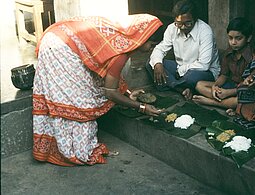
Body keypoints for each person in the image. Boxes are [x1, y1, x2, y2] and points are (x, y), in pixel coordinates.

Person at [32, 14, 164, 166]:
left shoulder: (121, 32)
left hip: (56, 37)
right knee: (80, 98)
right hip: (60, 48)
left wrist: (127, 92)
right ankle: (74, 150)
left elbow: (106, 74)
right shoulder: (121, 50)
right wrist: (142, 107)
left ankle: (58, 146)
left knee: (81, 89)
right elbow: (110, 92)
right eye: (151, 44)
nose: (150, 50)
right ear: (142, 37)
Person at [146, 0, 220, 99]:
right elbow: (160, 49)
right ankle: (183, 89)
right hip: (180, 68)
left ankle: (175, 86)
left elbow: (204, 64)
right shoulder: (172, 28)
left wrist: (180, 70)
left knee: (191, 77)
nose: (183, 27)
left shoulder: (205, 31)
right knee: (151, 63)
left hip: (203, 72)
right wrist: (158, 64)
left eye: (188, 23)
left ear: (195, 19)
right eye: (179, 24)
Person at [192, 17, 253, 110]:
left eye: (238, 38)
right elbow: (224, 75)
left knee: (238, 101)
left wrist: (229, 93)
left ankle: (211, 102)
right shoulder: (228, 53)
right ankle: (224, 101)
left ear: (248, 38)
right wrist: (215, 86)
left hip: (243, 90)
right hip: (229, 86)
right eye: (230, 38)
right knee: (199, 85)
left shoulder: (252, 56)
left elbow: (249, 86)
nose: (233, 42)